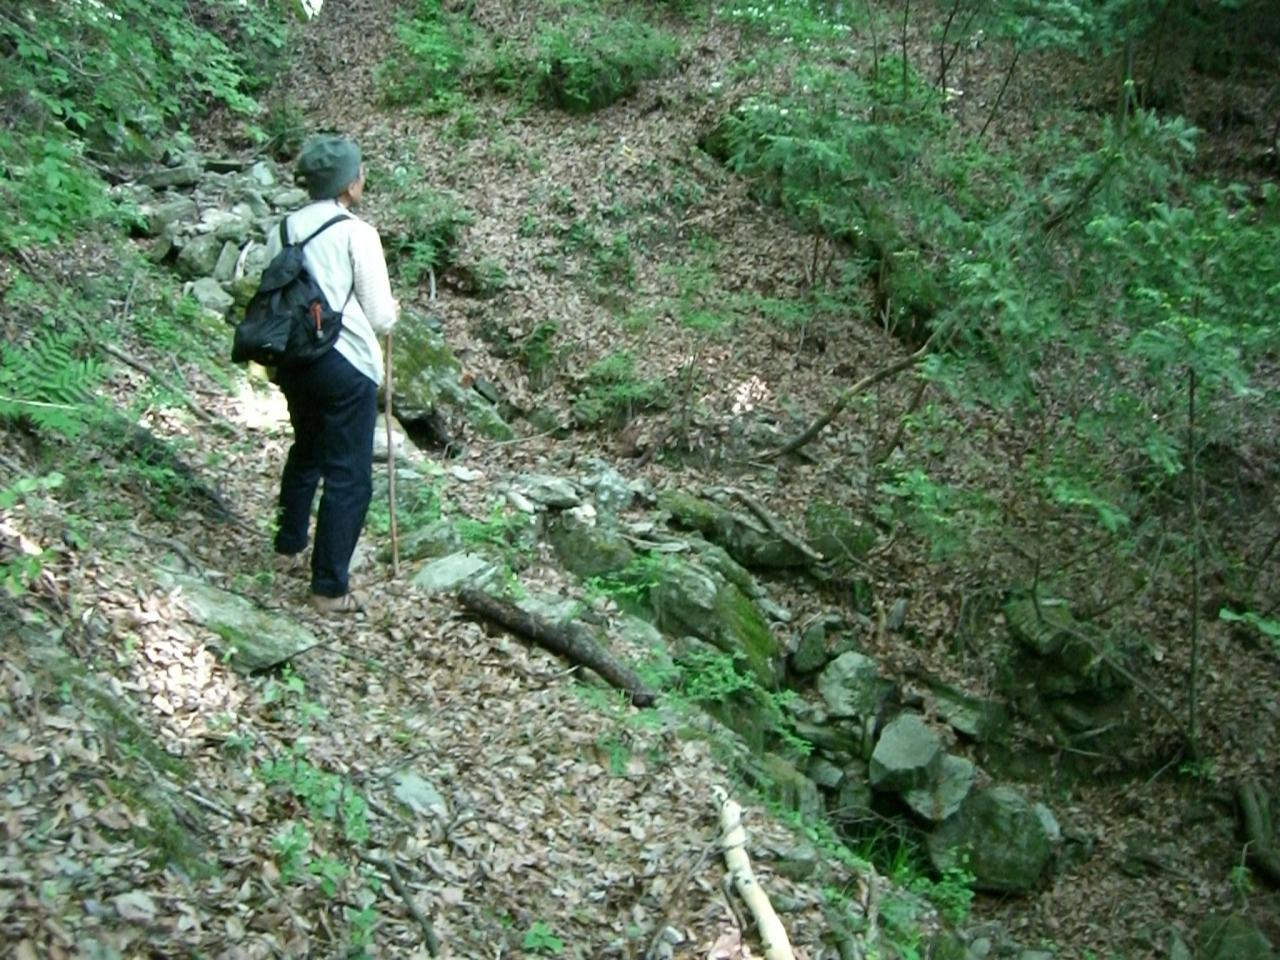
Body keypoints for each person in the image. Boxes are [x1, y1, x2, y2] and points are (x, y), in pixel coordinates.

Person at [270, 135, 397, 614]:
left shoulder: (283, 229)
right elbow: (380, 317)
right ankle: (328, 588)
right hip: (345, 364)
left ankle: (288, 544)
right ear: (348, 184)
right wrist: (395, 312)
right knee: (349, 475)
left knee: (307, 450)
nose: (363, 177)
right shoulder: (356, 233)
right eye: (359, 172)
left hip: (293, 360)